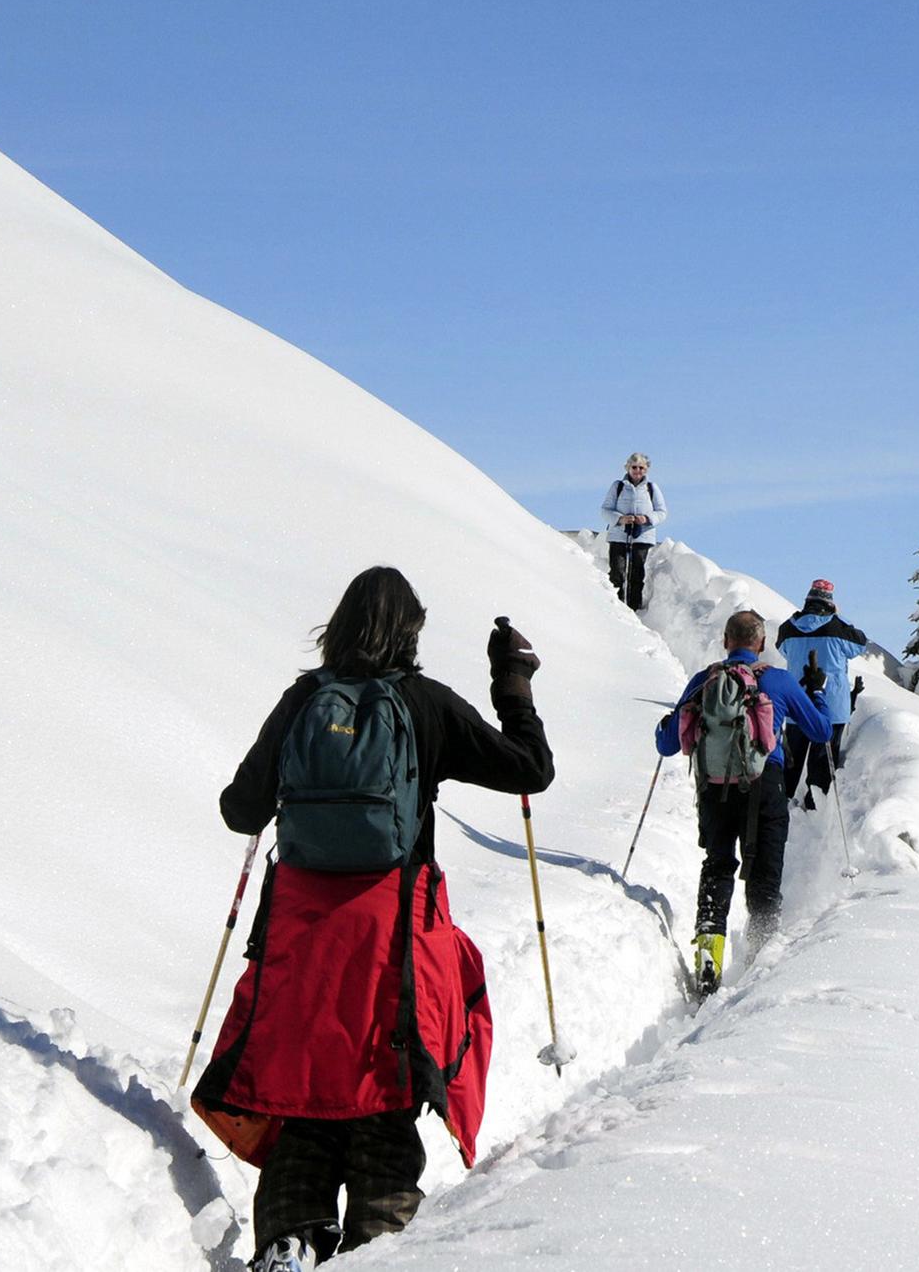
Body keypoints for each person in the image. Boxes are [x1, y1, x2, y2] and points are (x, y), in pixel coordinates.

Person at [195, 567, 555, 1272]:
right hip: (391, 937)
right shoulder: (422, 706)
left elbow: (241, 809)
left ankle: (288, 1242)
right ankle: (377, 1252)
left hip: (300, 931)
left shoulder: (304, 701)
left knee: (301, 1099)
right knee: (383, 1103)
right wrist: (512, 684)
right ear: (411, 630)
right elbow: (529, 770)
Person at [655, 608, 831, 986]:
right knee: (765, 876)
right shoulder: (779, 682)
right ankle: (758, 963)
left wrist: (663, 726)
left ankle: (709, 954)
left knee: (718, 865)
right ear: (762, 643)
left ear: (725, 641)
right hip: (765, 786)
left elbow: (668, 742)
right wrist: (816, 692)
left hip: (714, 789)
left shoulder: (706, 681)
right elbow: (819, 732)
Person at [775, 579, 870, 805]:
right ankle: (814, 805)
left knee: (791, 759)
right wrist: (838, 616)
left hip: (796, 702)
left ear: (808, 600)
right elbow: (861, 643)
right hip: (832, 706)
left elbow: (782, 649)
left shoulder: (788, 628)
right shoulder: (839, 628)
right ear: (830, 603)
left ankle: (781, 801)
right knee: (821, 763)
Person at [600, 452, 666, 610]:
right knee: (617, 570)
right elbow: (605, 510)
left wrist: (647, 518)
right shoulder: (618, 486)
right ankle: (616, 605)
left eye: (641, 468)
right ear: (628, 468)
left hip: (642, 536)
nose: (638, 471)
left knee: (637, 572)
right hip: (619, 535)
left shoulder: (652, 488)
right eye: (634, 467)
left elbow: (662, 512)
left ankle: (633, 606)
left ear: (647, 470)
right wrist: (620, 519)